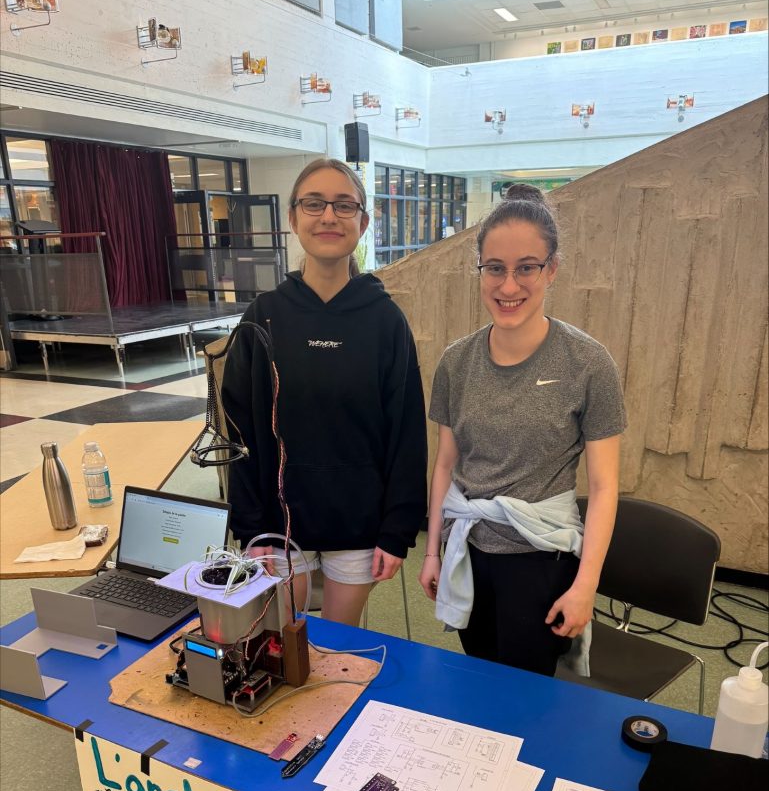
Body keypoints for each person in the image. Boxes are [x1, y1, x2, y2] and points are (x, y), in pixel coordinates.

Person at [418, 184, 626, 677]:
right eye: (495, 268)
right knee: (480, 678)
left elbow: (603, 486)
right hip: (468, 549)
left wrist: (585, 586)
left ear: (551, 269)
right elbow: (446, 464)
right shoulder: (456, 361)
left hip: (540, 560)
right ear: (481, 270)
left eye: (526, 267)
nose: (508, 286)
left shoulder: (587, 363)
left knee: (530, 694)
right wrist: (432, 551)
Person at [222, 158, 427, 627]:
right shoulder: (264, 315)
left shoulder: (384, 320)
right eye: (314, 204)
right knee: (284, 647)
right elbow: (239, 431)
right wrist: (252, 528)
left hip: (358, 522)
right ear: (293, 218)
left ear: (364, 221)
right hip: (279, 525)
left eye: (343, 205)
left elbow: (406, 433)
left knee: (338, 652)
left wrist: (397, 531)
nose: (329, 216)